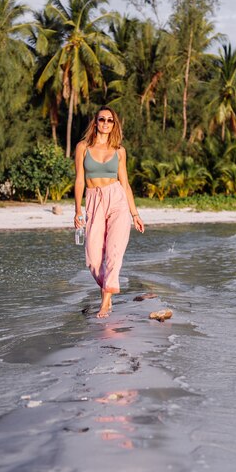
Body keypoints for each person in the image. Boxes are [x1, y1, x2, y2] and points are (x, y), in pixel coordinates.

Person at [74, 106, 145, 318]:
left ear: (114, 124)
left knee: (114, 253)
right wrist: (78, 210)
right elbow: (79, 179)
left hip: (117, 201)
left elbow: (125, 184)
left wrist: (135, 214)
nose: (106, 123)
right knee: (94, 258)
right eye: (102, 119)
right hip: (94, 200)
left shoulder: (119, 150)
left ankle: (105, 303)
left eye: (110, 120)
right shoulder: (83, 147)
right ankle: (108, 291)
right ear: (95, 122)